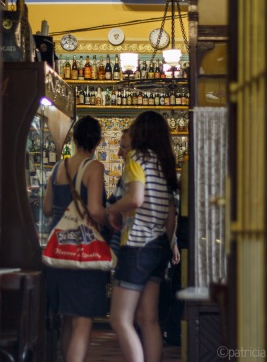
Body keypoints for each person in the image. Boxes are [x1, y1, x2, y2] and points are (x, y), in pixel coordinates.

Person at [106, 111, 179, 362]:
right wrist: (171, 244)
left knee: (119, 318)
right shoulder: (163, 163)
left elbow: (135, 199)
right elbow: (170, 215)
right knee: (149, 320)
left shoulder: (136, 158)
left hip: (137, 245)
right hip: (158, 246)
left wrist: (111, 209)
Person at [43, 115, 109, 362]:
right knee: (82, 320)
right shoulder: (94, 168)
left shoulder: (58, 167)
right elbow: (94, 210)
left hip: (58, 251)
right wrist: (110, 217)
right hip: (83, 251)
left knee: (68, 319)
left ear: (74, 138)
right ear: (98, 141)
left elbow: (48, 209)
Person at [106, 128, 131, 256]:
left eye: (123, 147)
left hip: (132, 251)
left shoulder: (134, 178)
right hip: (123, 248)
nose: (119, 153)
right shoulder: (124, 179)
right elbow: (110, 204)